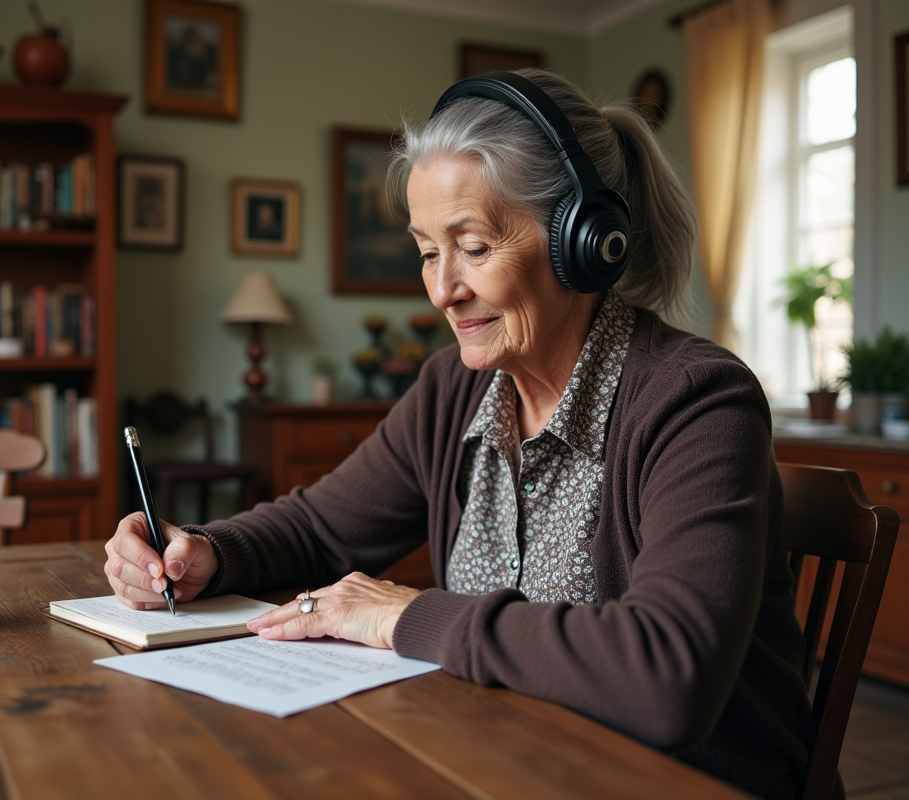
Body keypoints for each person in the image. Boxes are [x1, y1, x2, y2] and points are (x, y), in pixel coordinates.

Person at [105, 68, 812, 800]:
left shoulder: (696, 400)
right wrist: (207, 553)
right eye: (426, 251)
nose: (443, 290)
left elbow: (669, 674)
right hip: (498, 762)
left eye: (472, 247)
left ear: (584, 240)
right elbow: (323, 526)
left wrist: (407, 615)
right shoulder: (455, 387)